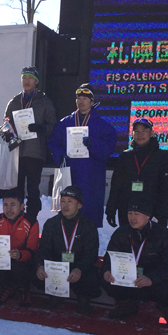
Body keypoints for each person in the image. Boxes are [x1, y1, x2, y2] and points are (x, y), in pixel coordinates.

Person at [101, 197, 168, 329]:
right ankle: (127, 304)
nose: (132, 218)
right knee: (105, 278)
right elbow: (109, 257)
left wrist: (151, 278)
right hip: (127, 278)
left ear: (147, 216)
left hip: (153, 279)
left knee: (165, 289)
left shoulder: (163, 234)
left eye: (136, 214)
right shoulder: (121, 233)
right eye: (129, 213)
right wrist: (106, 271)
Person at [47, 83, 117, 228]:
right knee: (66, 216)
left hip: (91, 177)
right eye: (78, 98)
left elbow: (109, 148)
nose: (81, 101)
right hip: (69, 174)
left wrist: (93, 144)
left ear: (92, 101)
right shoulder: (65, 123)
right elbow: (53, 142)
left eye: (85, 98)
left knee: (88, 217)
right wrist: (59, 155)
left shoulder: (103, 126)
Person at [35, 185, 101, 314]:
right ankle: (55, 296)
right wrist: (41, 266)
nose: (65, 205)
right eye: (63, 201)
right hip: (57, 268)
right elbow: (44, 249)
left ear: (79, 205)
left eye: (70, 202)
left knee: (92, 277)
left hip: (77, 269)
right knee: (35, 273)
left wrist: (79, 268)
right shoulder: (51, 223)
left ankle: (83, 299)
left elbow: (91, 254)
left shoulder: (88, 226)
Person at [5, 66, 57, 218]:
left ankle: (32, 219)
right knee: (17, 188)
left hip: (35, 152)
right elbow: (6, 123)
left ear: (36, 81)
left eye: (30, 78)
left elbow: (52, 124)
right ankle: (16, 219)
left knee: (33, 188)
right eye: (24, 78)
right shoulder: (14, 101)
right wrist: (8, 134)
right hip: (17, 151)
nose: (26, 81)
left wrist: (41, 128)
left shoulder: (44, 101)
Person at [105, 117, 168, 228]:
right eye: (136, 131)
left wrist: (162, 216)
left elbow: (167, 191)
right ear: (132, 134)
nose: (140, 134)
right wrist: (111, 209)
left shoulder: (163, 158)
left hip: (152, 214)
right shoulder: (125, 157)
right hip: (128, 213)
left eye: (144, 131)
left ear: (151, 133)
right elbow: (116, 186)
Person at [0, 189, 39, 307]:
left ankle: (23, 289)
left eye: (13, 205)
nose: (9, 209)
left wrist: (20, 255)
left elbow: (32, 250)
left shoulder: (31, 222)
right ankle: (6, 288)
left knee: (20, 265)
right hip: (2, 258)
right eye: (5, 205)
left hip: (21, 259)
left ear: (21, 206)